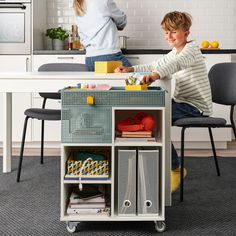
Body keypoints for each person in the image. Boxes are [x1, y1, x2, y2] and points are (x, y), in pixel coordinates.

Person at [115, 11, 213, 192]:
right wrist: (130, 69)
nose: (169, 36)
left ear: (186, 33)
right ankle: (150, 160)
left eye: (173, 32)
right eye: (166, 32)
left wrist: (155, 76)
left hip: (196, 106)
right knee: (149, 115)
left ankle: (174, 169)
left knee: (158, 119)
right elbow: (155, 65)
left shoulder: (191, 50)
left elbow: (173, 65)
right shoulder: (175, 51)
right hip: (182, 102)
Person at [73, 0, 131, 71]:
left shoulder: (78, 4)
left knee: (99, 82)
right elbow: (122, 21)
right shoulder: (104, 1)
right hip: (109, 55)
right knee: (136, 77)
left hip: (90, 58)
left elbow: (81, 32)